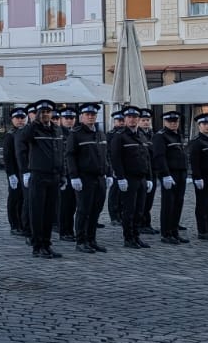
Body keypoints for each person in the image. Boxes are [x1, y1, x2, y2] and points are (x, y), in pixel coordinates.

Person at [17, 101, 65, 259]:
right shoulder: (32, 129)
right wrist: (34, 122)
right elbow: (21, 141)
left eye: (48, 112)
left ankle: (46, 243)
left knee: (50, 213)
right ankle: (37, 246)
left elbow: (60, 153)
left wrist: (62, 174)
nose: (45, 114)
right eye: (42, 112)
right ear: (37, 114)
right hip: (38, 175)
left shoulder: (56, 129)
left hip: (54, 175)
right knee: (37, 212)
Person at [64, 103, 109, 253]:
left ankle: (91, 239)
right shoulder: (75, 134)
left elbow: (104, 155)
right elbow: (70, 156)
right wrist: (74, 176)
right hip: (84, 178)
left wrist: (108, 173)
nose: (91, 117)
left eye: (93, 115)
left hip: (100, 177)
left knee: (96, 210)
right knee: (84, 210)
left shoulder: (100, 133)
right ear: (81, 117)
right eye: (88, 115)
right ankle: (81, 241)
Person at [108, 106, 153, 249]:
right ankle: (128, 238)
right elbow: (116, 158)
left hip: (141, 177)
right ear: (125, 119)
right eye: (129, 117)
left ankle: (136, 236)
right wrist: (120, 177)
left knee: (140, 209)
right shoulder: (120, 136)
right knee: (129, 210)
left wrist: (149, 177)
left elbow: (146, 158)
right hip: (129, 178)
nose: (132, 120)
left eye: (135, 117)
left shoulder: (141, 135)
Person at [154, 110, 190, 245]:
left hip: (181, 173)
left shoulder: (177, 135)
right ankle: (166, 233)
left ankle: (174, 231)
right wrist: (165, 175)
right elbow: (159, 157)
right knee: (168, 204)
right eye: (170, 121)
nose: (173, 123)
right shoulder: (160, 136)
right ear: (165, 122)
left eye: (175, 121)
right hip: (170, 174)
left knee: (178, 203)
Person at [1, 107, 29, 237]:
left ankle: (23, 224)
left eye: (22, 118)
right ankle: (14, 225)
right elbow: (8, 157)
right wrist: (11, 174)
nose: (20, 120)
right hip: (15, 171)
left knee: (24, 199)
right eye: (17, 118)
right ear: (12, 120)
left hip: (26, 170)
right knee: (15, 198)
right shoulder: (10, 135)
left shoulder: (27, 133)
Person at [54, 106, 78, 243]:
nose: (69, 121)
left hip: (75, 173)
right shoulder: (57, 133)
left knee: (73, 204)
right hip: (63, 173)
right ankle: (64, 231)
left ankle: (70, 230)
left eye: (72, 118)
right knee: (64, 205)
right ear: (61, 119)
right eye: (66, 118)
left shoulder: (75, 133)